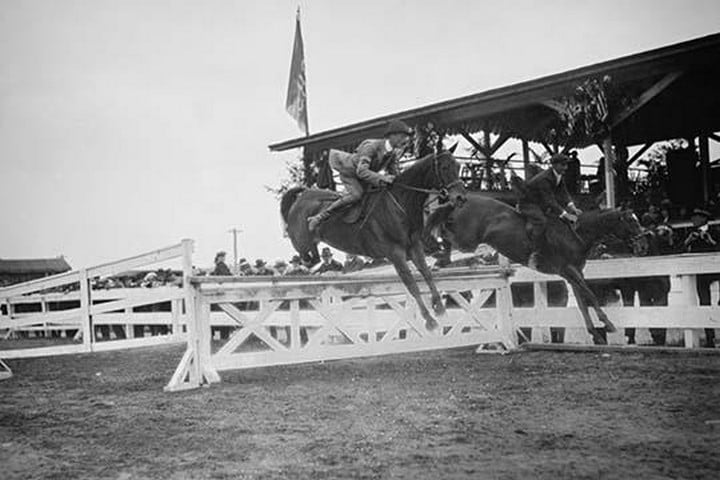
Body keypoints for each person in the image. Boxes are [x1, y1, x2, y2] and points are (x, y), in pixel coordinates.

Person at [307, 119, 413, 231]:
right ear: (392, 136)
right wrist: (384, 178)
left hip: (365, 176)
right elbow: (361, 171)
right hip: (350, 173)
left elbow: (395, 173)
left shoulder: (393, 153)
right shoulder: (371, 146)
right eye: (402, 136)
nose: (405, 140)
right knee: (356, 195)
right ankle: (319, 217)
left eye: (406, 137)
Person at [518, 153, 583, 270]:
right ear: (554, 165)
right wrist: (565, 214)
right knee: (541, 222)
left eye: (566, 165)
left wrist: (573, 208)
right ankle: (534, 253)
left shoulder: (558, 176)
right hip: (529, 204)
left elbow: (563, 193)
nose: (565, 168)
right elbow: (549, 200)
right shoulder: (544, 179)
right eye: (563, 165)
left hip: (540, 204)